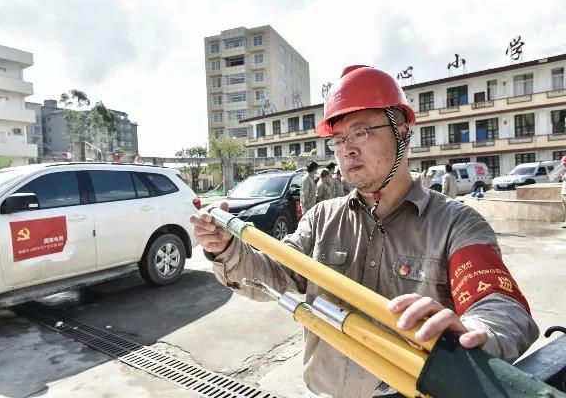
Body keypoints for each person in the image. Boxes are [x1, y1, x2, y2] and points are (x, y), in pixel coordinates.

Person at [191, 65, 537, 397]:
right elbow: (273, 275)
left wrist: (481, 331)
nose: (347, 150)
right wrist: (227, 250)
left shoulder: (455, 223)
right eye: (338, 140)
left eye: (361, 132)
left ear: (401, 130)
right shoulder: (321, 219)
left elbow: (498, 303)